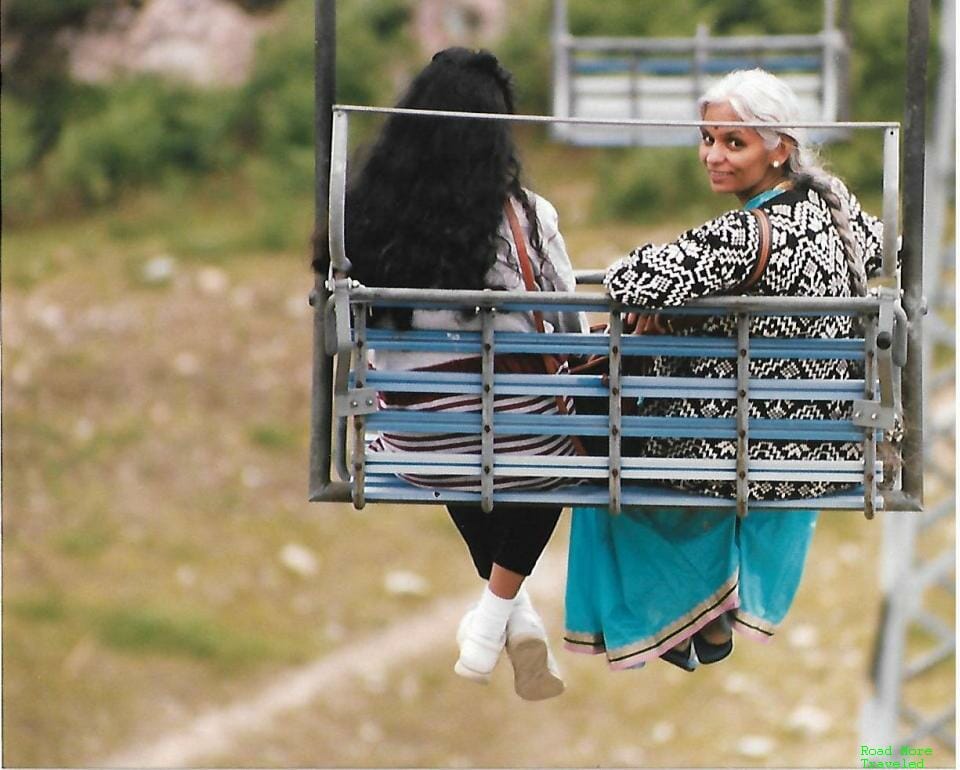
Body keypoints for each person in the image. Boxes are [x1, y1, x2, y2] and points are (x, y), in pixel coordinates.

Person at [563, 69, 884, 672]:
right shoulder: (832, 208)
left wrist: (666, 311)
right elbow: (886, 246)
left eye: (734, 143)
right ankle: (702, 617)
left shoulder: (747, 234)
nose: (714, 155)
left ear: (779, 147)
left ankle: (681, 611)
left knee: (600, 446)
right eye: (707, 139)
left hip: (734, 450)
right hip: (814, 449)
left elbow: (631, 279)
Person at [317, 48, 586, 699]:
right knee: (560, 443)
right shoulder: (526, 216)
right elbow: (572, 325)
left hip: (413, 443)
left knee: (461, 437)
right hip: (525, 444)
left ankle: (511, 624)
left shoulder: (362, 217)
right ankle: (494, 618)